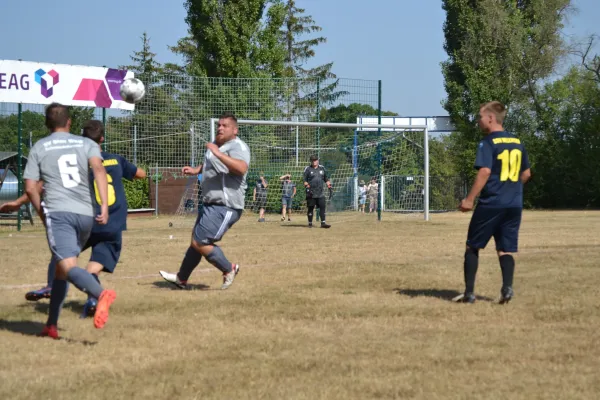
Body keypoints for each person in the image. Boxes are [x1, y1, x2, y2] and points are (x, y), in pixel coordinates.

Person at [1, 120, 146, 318]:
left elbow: (39, 186)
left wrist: (18, 203)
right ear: (102, 138)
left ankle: (52, 286)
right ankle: (94, 299)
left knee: (62, 254)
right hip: (112, 223)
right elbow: (141, 174)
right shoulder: (116, 160)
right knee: (93, 267)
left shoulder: (76, 163)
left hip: (86, 220)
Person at [22, 103, 116, 339]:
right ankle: (51, 325)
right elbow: (98, 169)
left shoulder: (40, 147)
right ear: (69, 122)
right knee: (60, 273)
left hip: (59, 213)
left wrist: (42, 213)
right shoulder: (87, 143)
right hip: (85, 214)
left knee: (67, 267)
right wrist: (103, 206)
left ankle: (100, 293)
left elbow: (31, 188)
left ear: (47, 123)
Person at [159, 112, 250, 290]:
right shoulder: (217, 145)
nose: (220, 128)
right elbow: (210, 163)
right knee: (195, 241)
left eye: (225, 126)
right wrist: (196, 170)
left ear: (235, 130)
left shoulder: (238, 146)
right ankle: (181, 278)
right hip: (211, 203)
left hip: (226, 205)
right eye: (219, 125)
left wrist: (217, 153)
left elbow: (241, 168)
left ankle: (228, 268)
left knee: (201, 242)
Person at [455, 101, 531, 304]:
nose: (478, 121)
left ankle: (469, 293)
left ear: (490, 118)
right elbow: (526, 173)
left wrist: (469, 199)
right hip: (514, 204)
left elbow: (485, 171)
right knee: (505, 248)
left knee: (472, 246)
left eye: (480, 117)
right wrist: (512, 189)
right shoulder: (517, 141)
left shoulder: (488, 142)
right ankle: (507, 288)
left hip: (492, 203)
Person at [303, 155, 331, 228]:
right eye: (312, 160)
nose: (314, 161)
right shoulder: (308, 169)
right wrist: (307, 186)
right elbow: (305, 181)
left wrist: (328, 184)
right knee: (311, 208)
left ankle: (323, 223)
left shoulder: (322, 168)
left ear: (318, 160)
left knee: (322, 207)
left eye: (315, 160)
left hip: (320, 192)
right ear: (310, 161)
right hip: (311, 193)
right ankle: (310, 223)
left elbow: (326, 178)